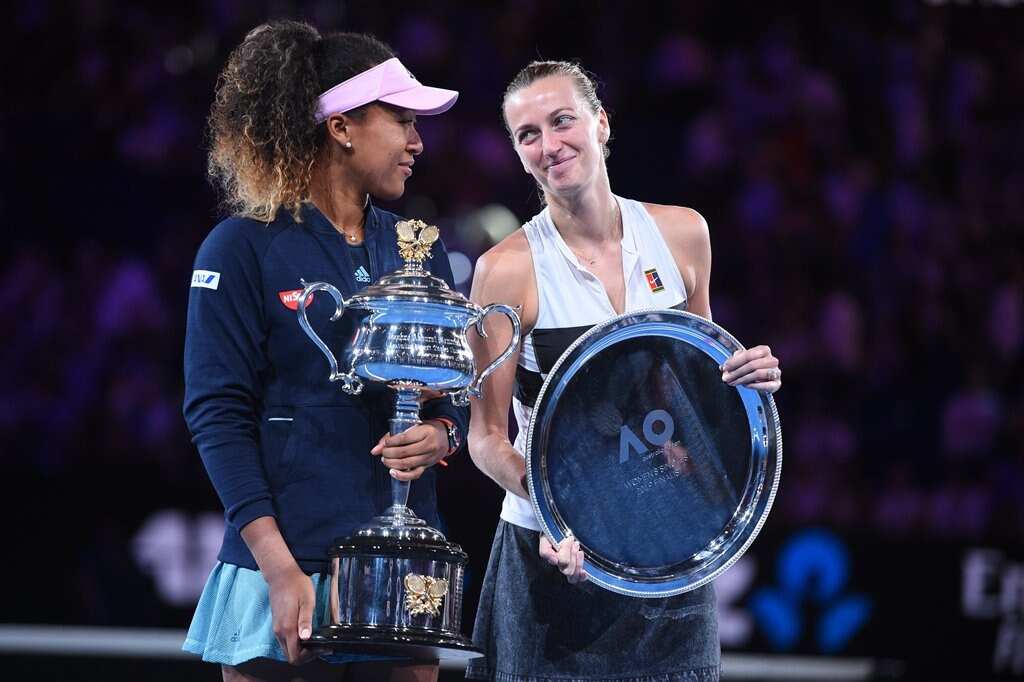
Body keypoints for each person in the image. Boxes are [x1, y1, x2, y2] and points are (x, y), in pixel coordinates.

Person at [464, 61, 783, 682]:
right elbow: (485, 436)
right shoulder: (505, 271)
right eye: (528, 134)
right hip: (555, 558)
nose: (549, 145)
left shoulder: (684, 234)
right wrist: (559, 510)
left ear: (601, 123)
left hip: (670, 541)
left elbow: (695, 383)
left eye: (562, 121)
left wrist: (745, 379)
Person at [181, 20, 466, 682]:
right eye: (401, 121)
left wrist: (439, 435)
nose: (418, 142)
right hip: (284, 568)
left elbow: (450, 394)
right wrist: (279, 569)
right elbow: (216, 415)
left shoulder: (418, 248)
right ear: (342, 126)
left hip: (402, 565)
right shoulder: (240, 248)